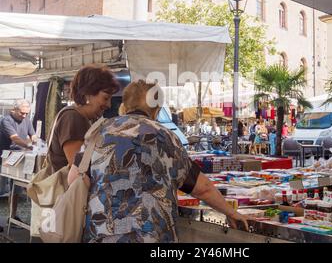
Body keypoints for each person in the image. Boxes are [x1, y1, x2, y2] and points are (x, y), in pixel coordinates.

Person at [69, 80, 248, 243]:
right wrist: (231, 212)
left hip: (102, 235)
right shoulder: (167, 137)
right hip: (154, 237)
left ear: (124, 105)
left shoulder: (98, 133)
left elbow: (74, 179)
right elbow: (202, 188)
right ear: (157, 109)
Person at [48, 65, 119, 172]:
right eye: (105, 98)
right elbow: (80, 167)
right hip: (70, 188)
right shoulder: (72, 118)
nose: (109, 105)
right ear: (88, 94)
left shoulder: (83, 118)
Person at [0, 99, 37, 227]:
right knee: (1, 188)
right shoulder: (6, 120)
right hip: (3, 158)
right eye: (22, 113)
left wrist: (36, 141)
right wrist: (32, 146)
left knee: (16, 189)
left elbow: (33, 135)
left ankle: (12, 216)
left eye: (27, 113)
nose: (25, 116)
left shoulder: (26, 119)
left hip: (19, 158)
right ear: (13, 110)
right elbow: (15, 139)